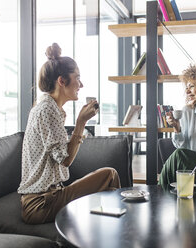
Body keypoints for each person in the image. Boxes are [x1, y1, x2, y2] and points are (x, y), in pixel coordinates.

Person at [18, 43, 121, 224]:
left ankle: (107, 225)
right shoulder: (47, 110)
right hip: (40, 204)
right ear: (62, 81)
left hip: (53, 194)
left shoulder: (53, 109)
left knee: (107, 180)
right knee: (109, 175)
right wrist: (81, 123)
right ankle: (115, 228)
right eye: (77, 78)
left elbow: (59, 156)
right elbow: (65, 159)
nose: (81, 84)